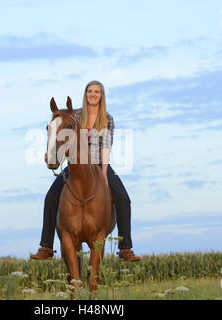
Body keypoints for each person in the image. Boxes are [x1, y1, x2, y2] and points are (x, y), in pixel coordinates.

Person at [30, 80, 140, 262]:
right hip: (76, 165)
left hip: (98, 163)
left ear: (101, 95)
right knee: (50, 196)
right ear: (86, 93)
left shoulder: (108, 118)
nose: (93, 94)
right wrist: (52, 152)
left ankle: (125, 248)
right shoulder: (76, 114)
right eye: (90, 91)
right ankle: (46, 246)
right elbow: (60, 132)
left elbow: (106, 145)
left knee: (123, 198)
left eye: (97, 91)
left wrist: (104, 172)